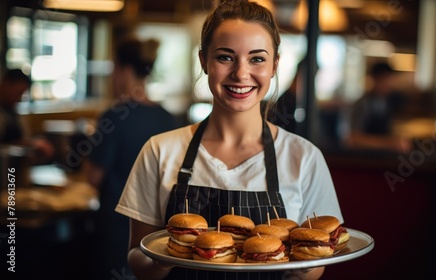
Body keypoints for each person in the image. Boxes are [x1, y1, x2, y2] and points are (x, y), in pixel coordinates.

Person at [115, 1, 344, 279]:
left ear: (274, 65)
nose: (241, 73)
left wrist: (304, 262)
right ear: (203, 61)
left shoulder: (304, 157)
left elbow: (315, 270)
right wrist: (166, 256)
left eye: (257, 58)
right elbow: (137, 259)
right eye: (225, 57)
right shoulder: (159, 150)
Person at [85, 37, 179, 279]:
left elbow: (93, 177)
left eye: (113, 69)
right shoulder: (168, 119)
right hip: (159, 237)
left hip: (118, 232)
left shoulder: (114, 116)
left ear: (124, 71)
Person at [345, 62, 410, 152]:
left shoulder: (386, 102)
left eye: (391, 79)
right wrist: (389, 143)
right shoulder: (363, 104)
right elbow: (354, 138)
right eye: (386, 78)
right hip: (364, 158)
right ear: (375, 79)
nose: (390, 83)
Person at [0, 68, 54, 161]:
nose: (19, 98)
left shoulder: (14, 113)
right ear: (6, 84)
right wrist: (31, 144)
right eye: (18, 93)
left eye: (21, 94)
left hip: (14, 167)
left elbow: (23, 137)